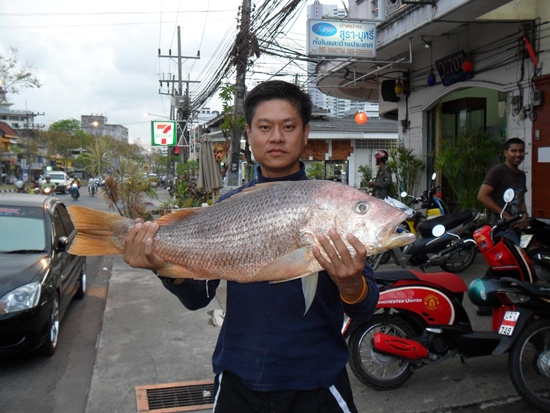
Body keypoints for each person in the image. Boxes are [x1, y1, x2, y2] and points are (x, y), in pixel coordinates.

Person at [122, 80, 379, 413]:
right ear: (249, 133)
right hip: (239, 379)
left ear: (305, 133)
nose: (276, 137)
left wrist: (350, 282)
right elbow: (198, 297)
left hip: (317, 381)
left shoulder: (332, 203)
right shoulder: (229, 205)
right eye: (265, 127)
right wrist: (163, 266)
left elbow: (364, 307)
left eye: (288, 126)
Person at [477, 137, 529, 245]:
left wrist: (524, 215)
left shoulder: (521, 175)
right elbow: (482, 196)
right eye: (514, 151)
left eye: (521, 151)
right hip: (503, 228)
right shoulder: (498, 171)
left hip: (518, 226)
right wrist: (504, 214)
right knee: (510, 261)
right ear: (505, 153)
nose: (518, 154)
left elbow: (520, 198)